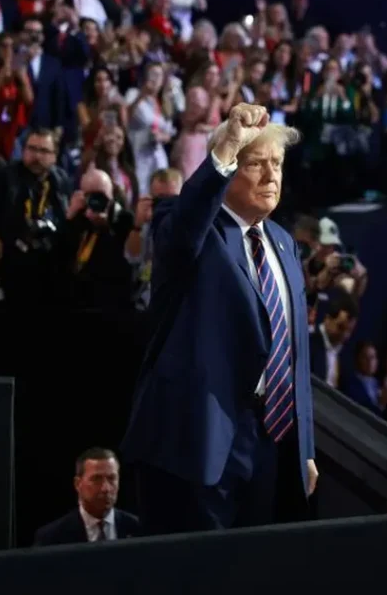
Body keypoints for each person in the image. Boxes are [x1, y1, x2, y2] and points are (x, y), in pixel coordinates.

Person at [121, 103, 318, 534]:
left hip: (270, 439)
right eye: (256, 164)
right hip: (197, 442)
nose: (272, 176)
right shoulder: (186, 227)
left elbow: (294, 354)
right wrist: (226, 147)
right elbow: (187, 222)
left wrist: (305, 448)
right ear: (229, 170)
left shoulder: (284, 243)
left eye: (278, 165)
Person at [32, 448, 141, 546]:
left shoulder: (138, 529)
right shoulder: (51, 538)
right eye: (96, 479)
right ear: (77, 484)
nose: (106, 488)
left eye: (111, 478)